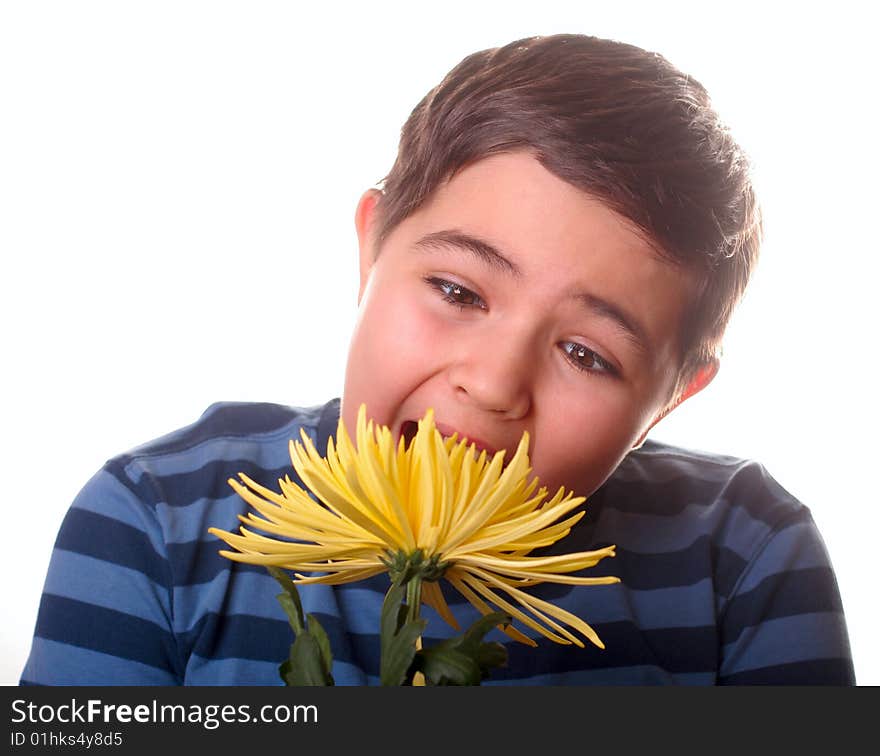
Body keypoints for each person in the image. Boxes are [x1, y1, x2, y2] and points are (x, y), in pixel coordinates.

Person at [20, 33, 855, 685]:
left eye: (585, 354)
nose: (492, 385)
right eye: (458, 292)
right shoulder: (155, 525)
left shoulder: (744, 557)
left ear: (671, 398)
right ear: (369, 249)